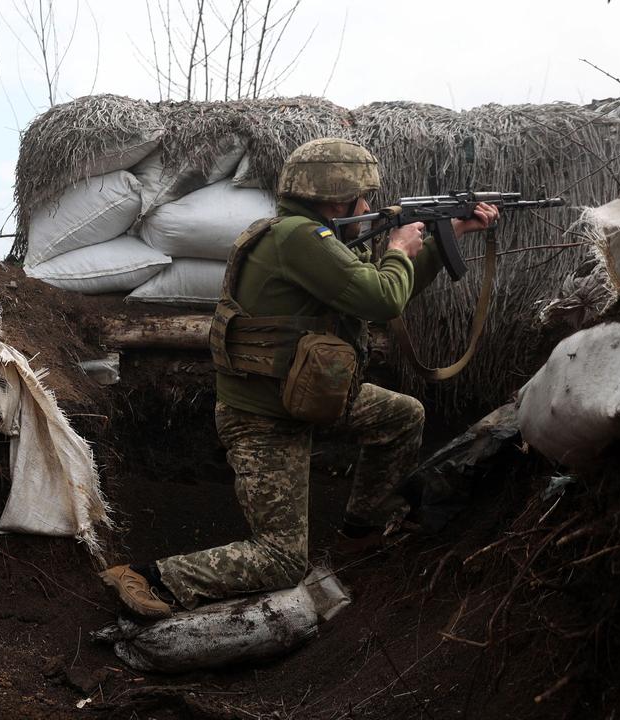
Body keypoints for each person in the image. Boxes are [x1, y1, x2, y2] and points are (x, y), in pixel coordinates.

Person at [100, 138, 500, 618]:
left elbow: (379, 289)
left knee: (401, 416)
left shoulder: (315, 240)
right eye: (362, 197)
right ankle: (151, 578)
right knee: (283, 559)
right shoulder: (299, 239)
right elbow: (382, 300)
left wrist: (444, 238)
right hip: (265, 418)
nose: (369, 206)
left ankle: (360, 534)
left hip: (311, 395)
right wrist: (398, 248)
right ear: (336, 197)